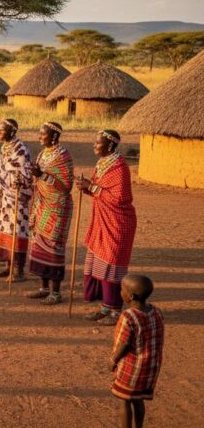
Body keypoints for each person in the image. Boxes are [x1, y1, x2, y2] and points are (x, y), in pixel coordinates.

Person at [79, 130, 138, 325]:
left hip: (118, 223)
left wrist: (92, 187)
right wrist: (86, 188)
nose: (95, 146)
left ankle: (115, 310)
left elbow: (119, 198)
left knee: (112, 265)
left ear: (110, 146)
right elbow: (101, 193)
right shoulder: (103, 164)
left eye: (98, 143)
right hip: (102, 220)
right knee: (100, 264)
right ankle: (105, 306)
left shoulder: (119, 167)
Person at [107, 274, 164, 428]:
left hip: (133, 366)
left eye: (122, 289)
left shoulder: (128, 316)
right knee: (138, 400)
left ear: (130, 296)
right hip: (150, 366)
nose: (120, 292)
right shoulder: (156, 312)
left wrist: (113, 359)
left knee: (125, 400)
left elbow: (124, 344)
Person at [26, 122, 74, 306]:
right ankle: (44, 288)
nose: (39, 136)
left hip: (56, 208)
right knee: (39, 245)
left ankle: (56, 292)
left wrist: (43, 175)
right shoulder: (42, 154)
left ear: (54, 136)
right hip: (41, 205)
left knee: (53, 248)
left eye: (43, 134)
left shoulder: (63, 156)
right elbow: (37, 178)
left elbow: (66, 186)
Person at [0, 119, 33, 280]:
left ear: (12, 132)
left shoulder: (21, 150)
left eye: (2, 130)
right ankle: (8, 266)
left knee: (17, 229)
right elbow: (3, 170)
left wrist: (17, 181)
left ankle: (18, 270)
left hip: (17, 197)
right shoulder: (4, 148)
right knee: (4, 228)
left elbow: (26, 174)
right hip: (4, 196)